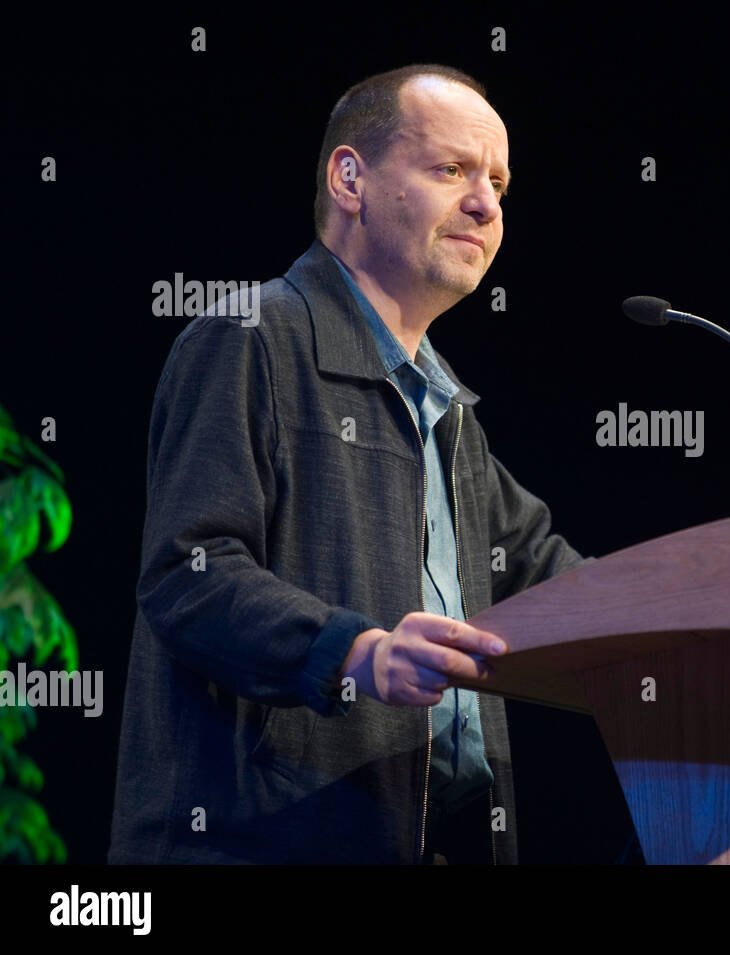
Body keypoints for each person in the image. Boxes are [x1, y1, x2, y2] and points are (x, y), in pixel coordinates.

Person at [109, 64, 590, 864]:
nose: (487, 203)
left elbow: (564, 584)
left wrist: (725, 617)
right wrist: (358, 653)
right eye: (452, 171)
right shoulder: (252, 338)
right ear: (350, 178)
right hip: (257, 842)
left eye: (500, 183)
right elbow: (187, 575)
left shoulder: (452, 418)